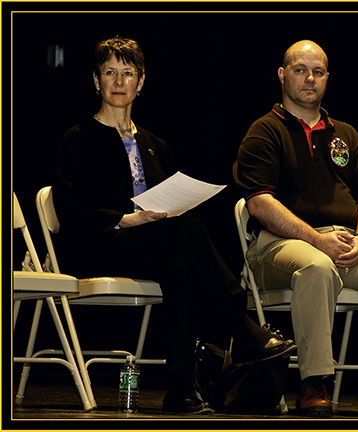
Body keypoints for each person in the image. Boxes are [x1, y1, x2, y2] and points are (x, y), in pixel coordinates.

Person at [53, 36, 296, 414]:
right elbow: (69, 210)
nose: (119, 81)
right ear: (96, 81)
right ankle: (241, 326)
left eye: (128, 73)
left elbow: (165, 204)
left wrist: (170, 209)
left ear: (142, 82)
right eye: (110, 73)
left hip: (152, 247)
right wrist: (127, 219)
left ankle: (179, 391)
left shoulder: (154, 144)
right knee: (187, 233)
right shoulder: (78, 139)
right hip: (101, 245)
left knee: (181, 265)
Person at [233, 40, 358, 418]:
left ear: (327, 78)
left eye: (318, 72)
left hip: (344, 242)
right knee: (317, 266)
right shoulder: (265, 130)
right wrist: (317, 240)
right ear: (282, 74)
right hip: (280, 246)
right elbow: (259, 203)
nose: (310, 79)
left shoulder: (345, 134)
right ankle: (314, 381)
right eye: (300, 70)